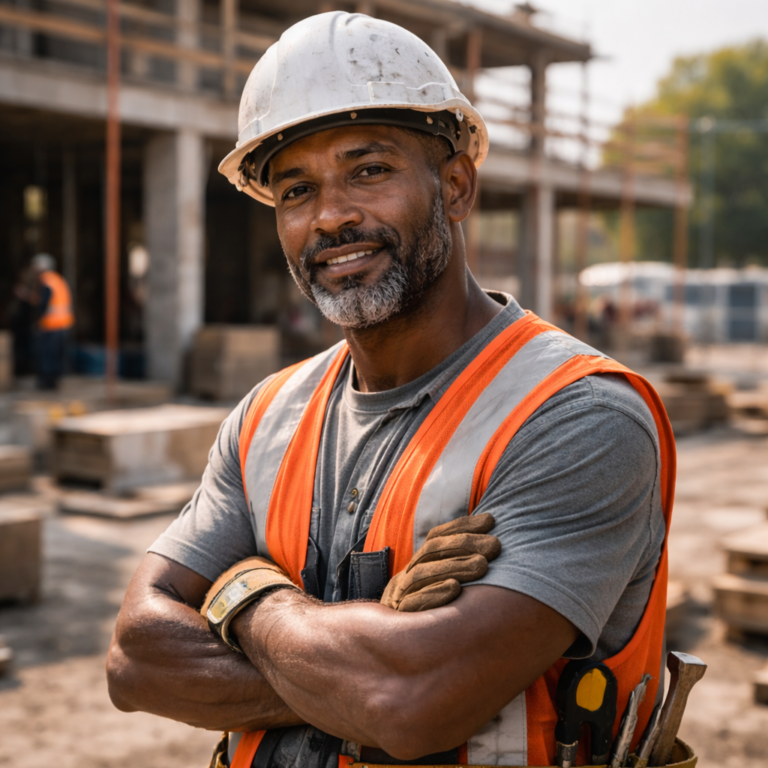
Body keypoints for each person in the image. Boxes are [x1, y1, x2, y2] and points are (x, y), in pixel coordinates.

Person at [107, 13, 679, 768]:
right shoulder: (266, 419)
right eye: (296, 190)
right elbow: (135, 658)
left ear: (456, 187)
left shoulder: (579, 416)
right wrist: (366, 653)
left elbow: (414, 705)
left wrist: (245, 596)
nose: (332, 216)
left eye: (368, 171)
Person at [28, 253, 74, 389]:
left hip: (51, 325)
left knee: (47, 355)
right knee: (56, 355)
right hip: (64, 323)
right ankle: (54, 381)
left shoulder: (45, 280)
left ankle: (47, 382)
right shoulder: (58, 279)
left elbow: (43, 303)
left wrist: (35, 319)